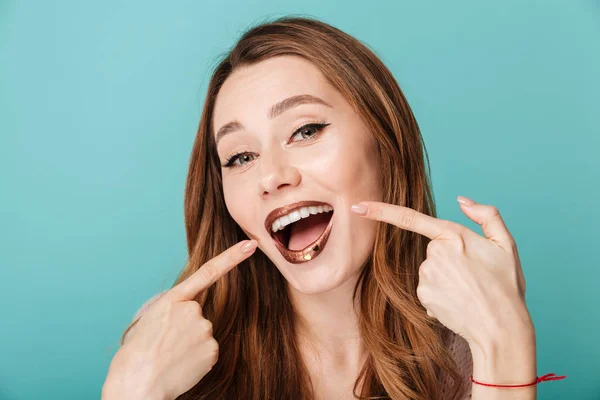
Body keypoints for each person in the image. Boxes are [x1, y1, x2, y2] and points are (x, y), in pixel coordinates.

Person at [103, 15, 482, 400]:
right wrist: (133, 388)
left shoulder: (464, 345)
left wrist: (506, 340)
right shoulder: (165, 341)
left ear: (385, 141)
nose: (271, 177)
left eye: (306, 131)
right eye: (241, 157)